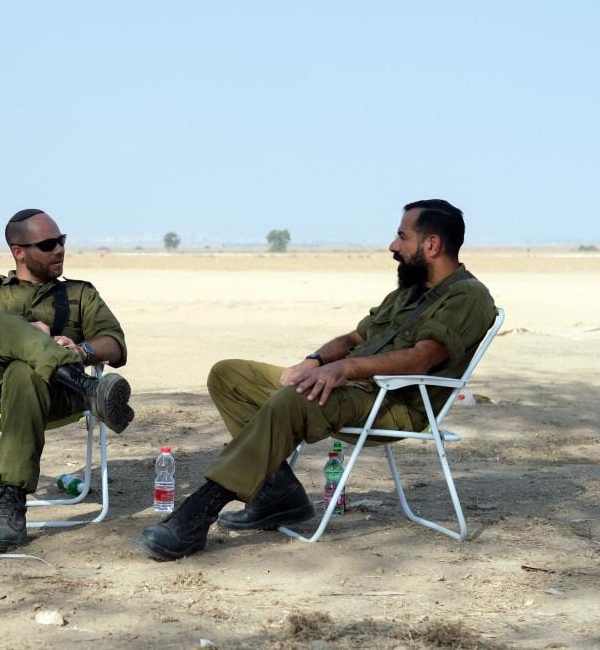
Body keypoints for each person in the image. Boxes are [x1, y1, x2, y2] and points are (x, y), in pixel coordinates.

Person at [137, 199, 496, 561]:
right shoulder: (410, 291)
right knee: (229, 375)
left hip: (393, 404)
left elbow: (422, 358)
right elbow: (354, 339)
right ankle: (277, 493)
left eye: (402, 237)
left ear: (431, 245)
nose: (393, 245)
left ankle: (196, 514)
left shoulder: (469, 296)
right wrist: (314, 362)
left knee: (296, 399)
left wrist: (343, 370)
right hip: (353, 389)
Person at [0, 208, 133, 552]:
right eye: (48, 244)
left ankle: (11, 503)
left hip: (55, 397)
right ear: (19, 252)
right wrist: (26, 335)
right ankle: (88, 388)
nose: (59, 249)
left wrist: (81, 350)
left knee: (24, 373)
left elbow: (115, 343)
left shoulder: (80, 294)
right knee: (2, 323)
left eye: (61, 241)